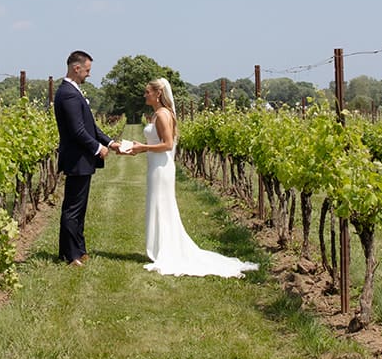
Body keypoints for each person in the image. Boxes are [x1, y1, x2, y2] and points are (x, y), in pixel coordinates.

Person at [122, 78, 257, 277]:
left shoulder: (162, 115)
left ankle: (165, 249)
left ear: (158, 94)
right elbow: (159, 142)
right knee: (160, 205)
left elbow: (167, 145)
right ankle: (161, 247)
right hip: (157, 165)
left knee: (161, 205)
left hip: (160, 167)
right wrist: (140, 146)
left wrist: (142, 148)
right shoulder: (158, 114)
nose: (145, 95)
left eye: (147, 92)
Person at [53, 50, 117, 266]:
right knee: (73, 208)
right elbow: (77, 130)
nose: (89, 74)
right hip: (77, 159)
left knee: (78, 207)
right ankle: (71, 255)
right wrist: (98, 148)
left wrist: (109, 142)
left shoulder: (73, 92)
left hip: (80, 160)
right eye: (87, 70)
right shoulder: (69, 94)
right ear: (76, 68)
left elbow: (90, 126)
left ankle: (77, 250)